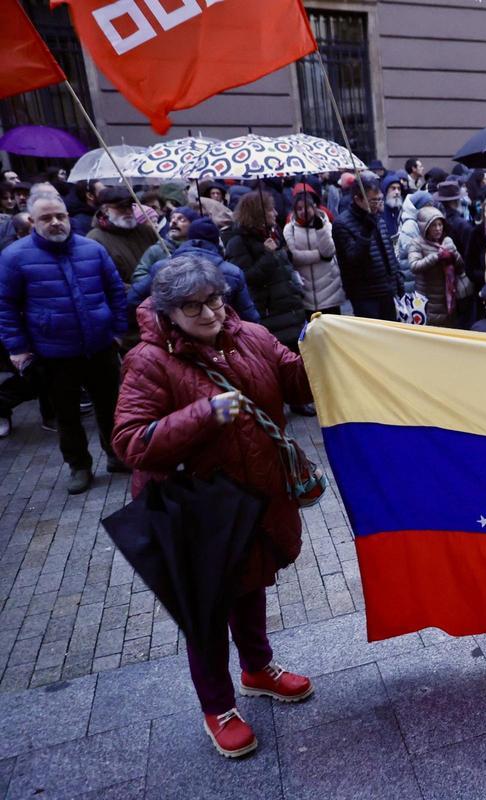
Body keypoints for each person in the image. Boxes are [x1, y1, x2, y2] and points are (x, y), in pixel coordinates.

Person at [111, 255, 315, 759]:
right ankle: (217, 706)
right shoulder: (149, 360)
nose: (210, 314)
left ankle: (257, 668)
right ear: (168, 314)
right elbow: (129, 441)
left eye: (215, 299)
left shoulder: (249, 334)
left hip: (252, 496)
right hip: (196, 509)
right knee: (207, 609)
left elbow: (295, 381)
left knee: (250, 584)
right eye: (193, 306)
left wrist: (322, 352)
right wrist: (202, 414)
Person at [0, 189, 129, 494]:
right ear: (32, 221)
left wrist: (117, 331)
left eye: (60, 216)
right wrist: (17, 347)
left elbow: (116, 292)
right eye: (47, 218)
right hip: (54, 352)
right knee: (67, 414)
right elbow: (4, 305)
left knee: (111, 406)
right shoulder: (14, 257)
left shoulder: (92, 249)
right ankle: (79, 466)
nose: (56, 222)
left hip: (100, 346)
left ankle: (115, 455)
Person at [224, 193, 308, 381]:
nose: (275, 213)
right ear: (258, 213)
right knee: (282, 357)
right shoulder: (238, 242)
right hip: (270, 311)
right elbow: (246, 277)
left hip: (288, 305)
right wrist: (268, 255)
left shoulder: (272, 233)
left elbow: (285, 266)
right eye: (270, 209)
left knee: (298, 354)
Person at [129, 217, 259, 323]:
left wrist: (161, 323)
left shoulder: (162, 267)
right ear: (217, 241)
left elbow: (133, 298)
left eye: (213, 300)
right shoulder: (233, 272)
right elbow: (249, 317)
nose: (207, 315)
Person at [332, 174, 402, 322]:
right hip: (365, 295)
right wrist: (365, 231)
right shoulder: (342, 224)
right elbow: (353, 260)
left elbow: (388, 253)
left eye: (379, 199)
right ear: (358, 199)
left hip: (387, 291)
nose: (377, 204)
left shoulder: (378, 218)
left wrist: (398, 280)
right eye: (373, 201)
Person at [284, 187, 345, 317]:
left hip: (330, 290)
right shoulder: (289, 229)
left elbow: (328, 253)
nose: (303, 211)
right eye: (299, 209)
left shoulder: (326, 225)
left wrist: (320, 230)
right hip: (305, 292)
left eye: (306, 207)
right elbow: (295, 257)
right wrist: (319, 255)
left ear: (315, 207)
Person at [87, 187, 159, 284]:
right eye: (121, 207)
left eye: (130, 206)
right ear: (105, 210)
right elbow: (104, 280)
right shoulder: (94, 239)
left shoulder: (146, 231)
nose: (128, 211)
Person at [407, 206, 465, 328]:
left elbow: (460, 268)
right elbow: (414, 266)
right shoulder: (416, 243)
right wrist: (436, 257)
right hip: (428, 300)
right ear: (425, 227)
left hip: (448, 298)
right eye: (433, 225)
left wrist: (454, 255)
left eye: (440, 224)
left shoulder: (447, 241)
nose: (438, 229)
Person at [133, 207, 199, 280]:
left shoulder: (199, 248)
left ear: (193, 225)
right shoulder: (156, 250)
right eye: (172, 218)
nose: (174, 222)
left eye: (181, 219)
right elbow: (138, 276)